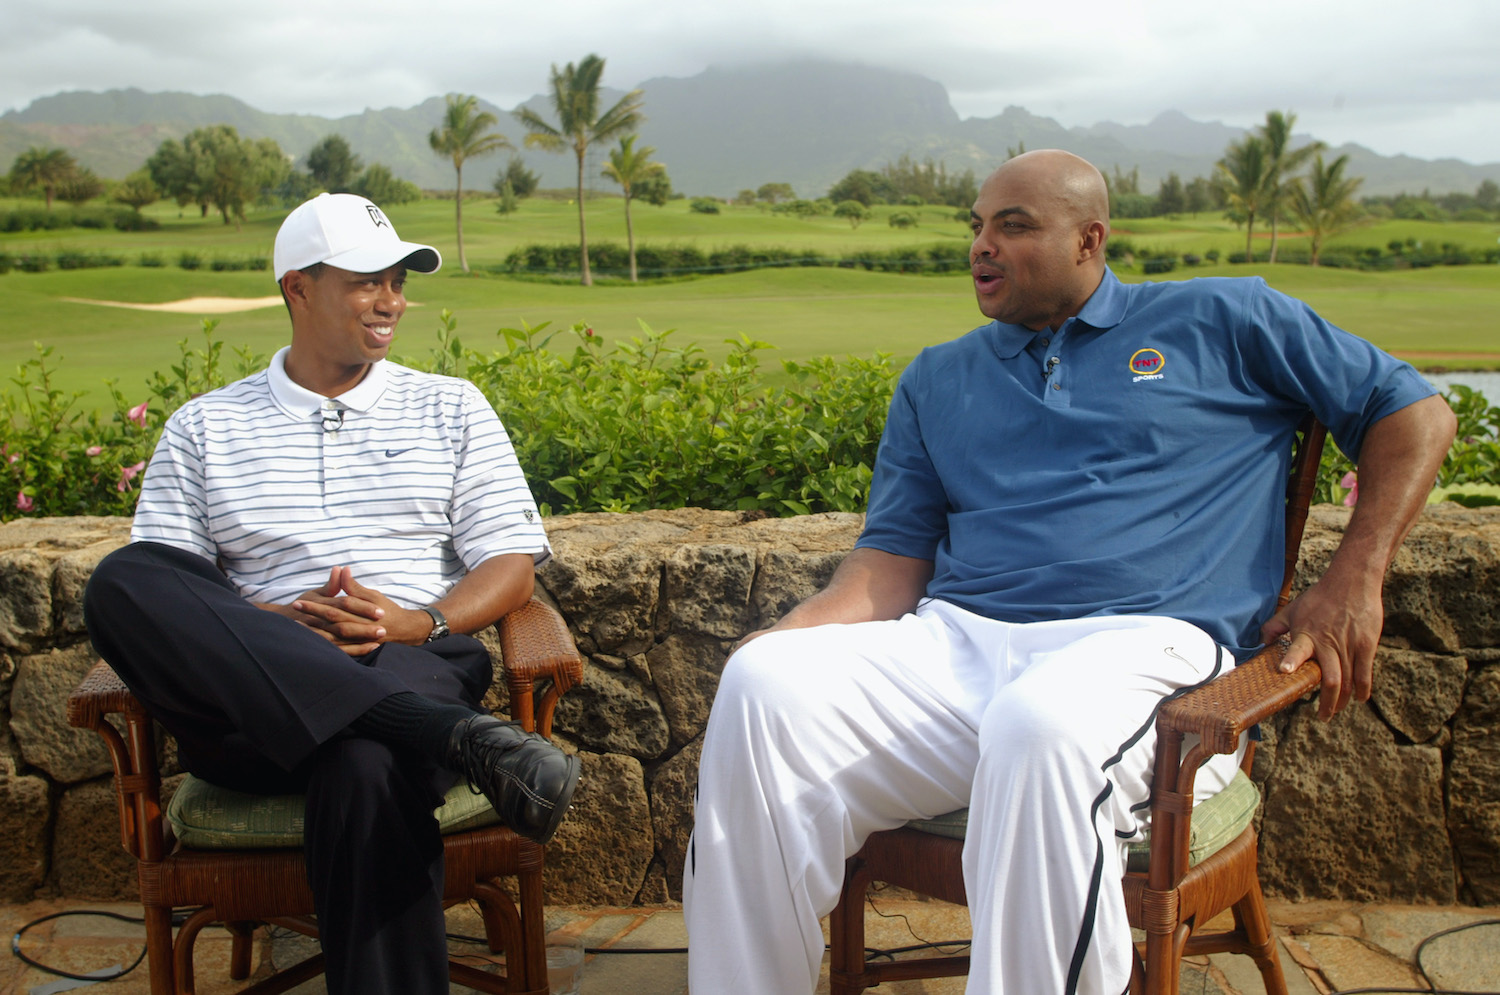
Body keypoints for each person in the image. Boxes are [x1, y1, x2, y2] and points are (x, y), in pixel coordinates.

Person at [682, 150, 1457, 994]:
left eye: (1013, 226)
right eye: (977, 226)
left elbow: (1413, 410)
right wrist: (783, 638)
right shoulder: (938, 378)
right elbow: (886, 572)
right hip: (958, 648)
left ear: (1091, 239)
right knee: (761, 683)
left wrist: (1354, 577)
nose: (983, 245)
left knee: (1039, 724)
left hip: (1151, 651)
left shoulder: (1226, 317)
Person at [82, 192, 581, 995]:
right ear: (297, 288)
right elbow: (165, 592)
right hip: (246, 703)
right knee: (122, 577)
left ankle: (412, 721)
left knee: (361, 762)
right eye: (366, 281)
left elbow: (511, 563)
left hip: (409, 658)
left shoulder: (452, 408)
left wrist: (418, 619)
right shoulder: (206, 426)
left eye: (397, 281)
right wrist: (275, 627)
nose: (392, 301)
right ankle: (454, 736)